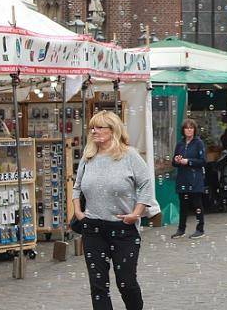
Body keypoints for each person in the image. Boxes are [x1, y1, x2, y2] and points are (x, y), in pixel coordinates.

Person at [72, 111, 152, 310]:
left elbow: (146, 184)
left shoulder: (129, 155)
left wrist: (136, 213)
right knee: (98, 286)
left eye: (99, 127)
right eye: (92, 127)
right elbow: (77, 186)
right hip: (93, 229)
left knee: (126, 283)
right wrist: (78, 212)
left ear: (113, 130)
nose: (94, 131)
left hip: (123, 229)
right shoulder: (88, 157)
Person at [172, 119, 207, 239]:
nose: (189, 130)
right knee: (183, 205)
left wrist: (188, 161)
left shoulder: (199, 143)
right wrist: (176, 160)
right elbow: (174, 162)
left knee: (197, 204)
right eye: (186, 128)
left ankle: (200, 229)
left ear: (194, 130)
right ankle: (181, 229)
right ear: (183, 130)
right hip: (183, 178)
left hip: (194, 178)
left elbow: (203, 161)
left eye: (191, 128)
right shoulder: (180, 144)